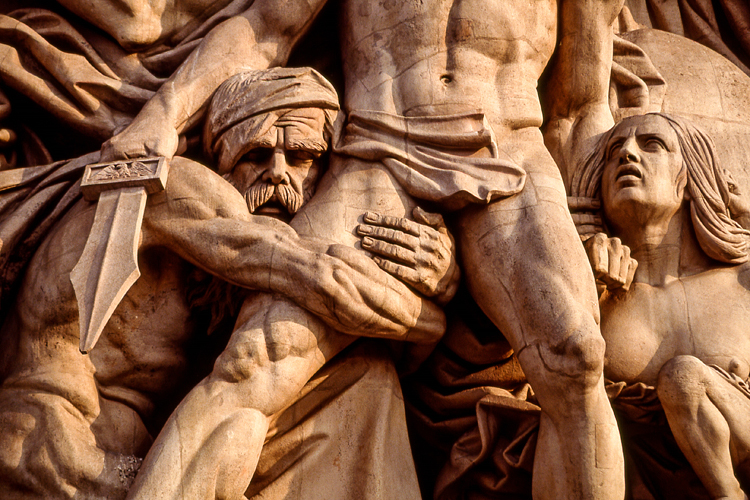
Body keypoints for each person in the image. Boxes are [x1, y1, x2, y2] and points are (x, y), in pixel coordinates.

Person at [118, 0, 630, 498]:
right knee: (255, 361)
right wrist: (162, 116)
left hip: (511, 151)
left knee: (576, 357)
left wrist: (588, 224)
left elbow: (580, 107)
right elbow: (267, 28)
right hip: (379, 148)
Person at [0, 67, 452, 499]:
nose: (278, 173)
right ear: (220, 164)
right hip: (51, 455)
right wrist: (437, 312)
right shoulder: (176, 187)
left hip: (113, 457)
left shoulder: (222, 279)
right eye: (255, 155)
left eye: (301, 158)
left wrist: (443, 270)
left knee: (362, 374)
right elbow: (327, 279)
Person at [572, 112, 750, 499]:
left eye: (651, 144)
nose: (627, 155)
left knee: (684, 377)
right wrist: (574, 271)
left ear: (689, 178)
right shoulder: (587, 289)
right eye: (614, 150)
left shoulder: (743, 283)